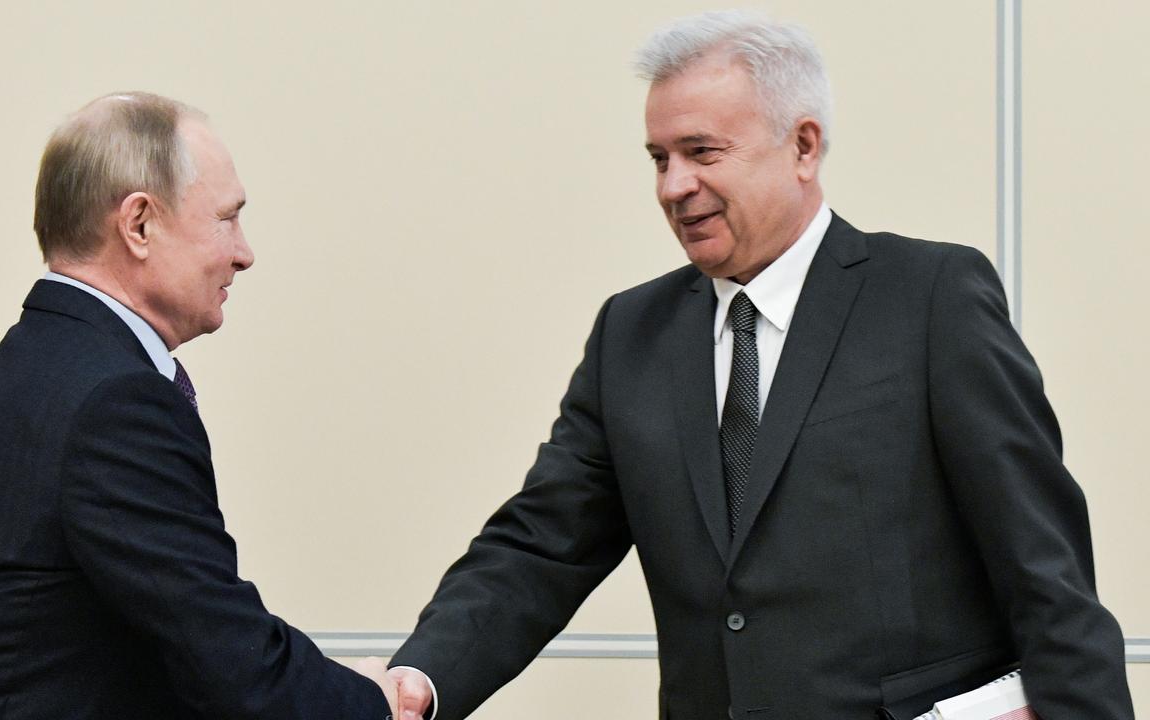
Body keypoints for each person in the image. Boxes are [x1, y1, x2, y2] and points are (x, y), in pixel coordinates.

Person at [387, 11, 1134, 719]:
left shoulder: (930, 298)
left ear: (804, 147)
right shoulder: (630, 333)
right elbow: (540, 546)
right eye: (660, 159)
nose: (673, 186)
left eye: (703, 153)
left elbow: (1046, 571)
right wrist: (421, 679)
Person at [0, 92, 397, 720]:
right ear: (138, 225)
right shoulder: (116, 400)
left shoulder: (38, 362)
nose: (244, 253)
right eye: (227, 218)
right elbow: (226, 658)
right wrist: (370, 705)